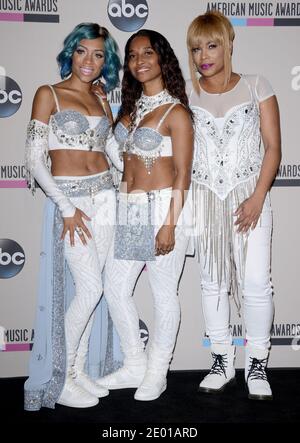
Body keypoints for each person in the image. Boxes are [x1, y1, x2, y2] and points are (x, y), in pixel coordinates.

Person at [24, 23, 123, 411]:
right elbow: (35, 160)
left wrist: (143, 175)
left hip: (107, 199)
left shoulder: (101, 98)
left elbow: (110, 150)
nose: (89, 61)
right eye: (83, 51)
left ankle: (79, 372)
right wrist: (65, 208)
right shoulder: (47, 94)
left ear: (106, 62)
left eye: (99, 55)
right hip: (73, 205)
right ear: (71, 52)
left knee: (96, 288)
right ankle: (60, 378)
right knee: (89, 290)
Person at [186, 11, 281, 400]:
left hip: (249, 197)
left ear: (228, 44)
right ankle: (222, 361)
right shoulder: (187, 96)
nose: (203, 55)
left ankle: (257, 364)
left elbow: (273, 148)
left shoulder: (258, 85)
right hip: (204, 198)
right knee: (212, 284)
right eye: (196, 48)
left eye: (211, 45)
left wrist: (257, 197)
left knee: (256, 283)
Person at [96, 29, 194, 401]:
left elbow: (184, 173)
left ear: (162, 58)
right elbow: (113, 153)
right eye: (133, 55)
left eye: (147, 53)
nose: (139, 61)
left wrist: (169, 225)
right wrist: (108, 109)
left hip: (164, 207)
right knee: (115, 288)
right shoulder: (132, 111)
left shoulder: (176, 111)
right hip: (131, 207)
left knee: (163, 294)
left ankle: (157, 372)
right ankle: (135, 364)